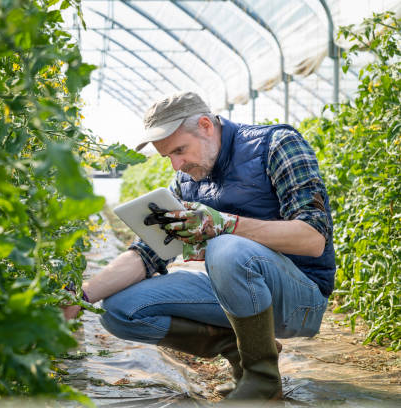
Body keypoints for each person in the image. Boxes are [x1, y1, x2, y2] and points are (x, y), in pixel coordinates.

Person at [64, 92, 335, 401]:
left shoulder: (276, 145)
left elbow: (313, 239)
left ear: (206, 125)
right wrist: (81, 298)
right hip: (240, 290)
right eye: (168, 156)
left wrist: (227, 224)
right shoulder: (185, 182)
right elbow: (147, 254)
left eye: (180, 150)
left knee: (225, 248)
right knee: (117, 311)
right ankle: (244, 351)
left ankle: (262, 381)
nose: (177, 164)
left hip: (300, 297)